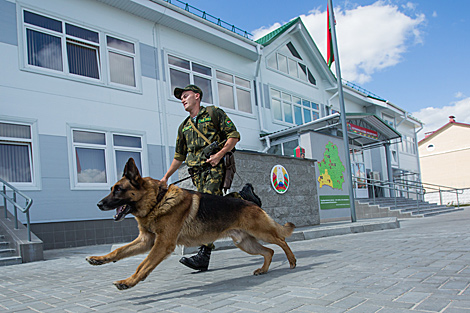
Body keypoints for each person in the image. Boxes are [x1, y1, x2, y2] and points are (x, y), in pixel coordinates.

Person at [161, 84, 260, 272]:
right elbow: (179, 156)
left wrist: (219, 155)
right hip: (197, 173)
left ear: (197, 96)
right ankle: (245, 198)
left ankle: (203, 255)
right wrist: (166, 177)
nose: (182, 99)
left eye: (185, 95)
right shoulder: (184, 127)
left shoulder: (214, 113)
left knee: (206, 209)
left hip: (215, 167)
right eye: (180, 97)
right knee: (219, 206)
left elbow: (234, 136)